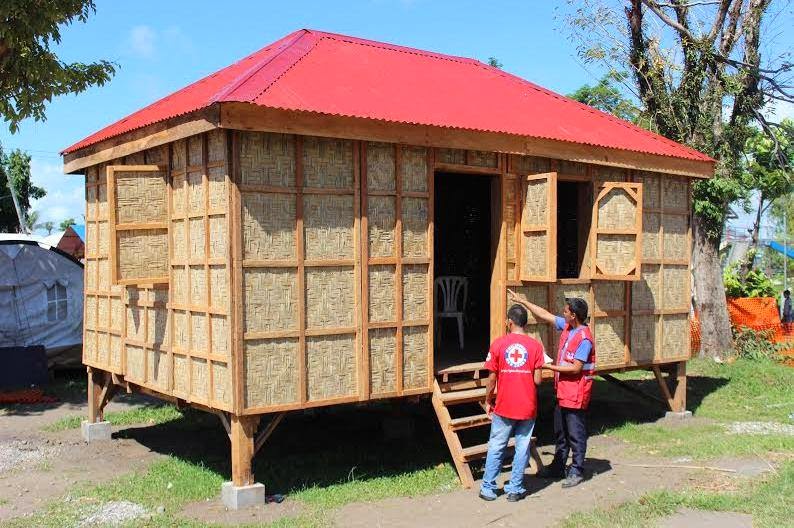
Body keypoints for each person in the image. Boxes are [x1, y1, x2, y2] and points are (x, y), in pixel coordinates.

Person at [508, 290, 595, 488]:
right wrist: (523, 300)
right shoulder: (568, 327)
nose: (562, 314)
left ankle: (577, 470)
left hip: (576, 392)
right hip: (564, 392)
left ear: (573, 315)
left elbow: (575, 368)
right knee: (561, 432)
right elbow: (544, 315)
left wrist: (547, 366)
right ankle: (558, 466)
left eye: (565, 311)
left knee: (575, 433)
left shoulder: (584, 339)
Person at [479, 304, 545, 502]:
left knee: (497, 445)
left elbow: (492, 379)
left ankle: (488, 488)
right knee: (522, 446)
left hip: (505, 405)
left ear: (509, 322)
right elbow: (538, 380)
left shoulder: (498, 344)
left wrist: (487, 399)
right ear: (525, 323)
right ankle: (515, 489)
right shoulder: (536, 346)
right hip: (527, 406)